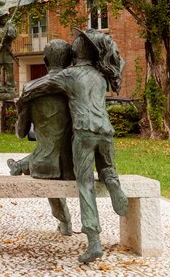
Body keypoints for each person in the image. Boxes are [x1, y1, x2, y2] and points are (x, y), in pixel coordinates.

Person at [20, 28, 128, 263]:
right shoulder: (101, 76)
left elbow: (35, 88)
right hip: (106, 131)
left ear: (78, 51)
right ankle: (113, 185)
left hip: (84, 132)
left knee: (85, 183)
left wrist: (25, 94)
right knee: (107, 167)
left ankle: (94, 240)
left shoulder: (70, 76)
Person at [10, 39, 75, 236]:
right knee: (52, 155)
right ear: (70, 61)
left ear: (45, 60)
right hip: (77, 164)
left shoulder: (31, 89)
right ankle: (21, 165)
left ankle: (65, 220)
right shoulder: (79, 88)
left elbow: (21, 133)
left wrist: (21, 109)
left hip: (45, 164)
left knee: (46, 159)